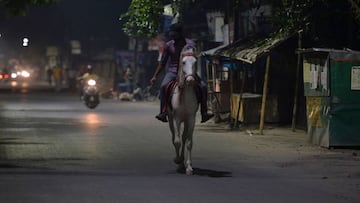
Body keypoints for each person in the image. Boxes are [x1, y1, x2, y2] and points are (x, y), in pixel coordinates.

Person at [150, 22, 214, 123]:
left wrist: (192, 72)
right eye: (172, 36)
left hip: (188, 71)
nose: (174, 38)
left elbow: (194, 59)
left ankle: (204, 112)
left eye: (176, 36)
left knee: (203, 87)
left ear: (181, 34)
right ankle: (163, 112)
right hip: (173, 71)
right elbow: (162, 63)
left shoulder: (190, 45)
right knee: (163, 87)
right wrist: (155, 76)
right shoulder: (168, 46)